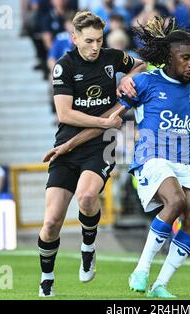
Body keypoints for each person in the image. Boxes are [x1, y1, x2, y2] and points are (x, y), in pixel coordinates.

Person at [43, 16, 190, 298]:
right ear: (169, 58)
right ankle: (140, 269)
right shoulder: (144, 84)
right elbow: (108, 119)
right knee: (175, 201)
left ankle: (160, 285)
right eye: (185, 58)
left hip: (184, 161)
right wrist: (68, 146)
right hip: (152, 158)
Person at [37, 11, 146, 298]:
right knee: (51, 222)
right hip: (68, 143)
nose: (95, 46)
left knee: (87, 197)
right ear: (75, 39)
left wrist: (126, 82)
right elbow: (65, 113)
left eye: (99, 39)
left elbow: (141, 65)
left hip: (103, 144)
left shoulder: (112, 58)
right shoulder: (64, 66)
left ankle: (88, 247)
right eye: (88, 41)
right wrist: (104, 121)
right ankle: (47, 280)